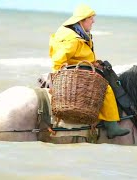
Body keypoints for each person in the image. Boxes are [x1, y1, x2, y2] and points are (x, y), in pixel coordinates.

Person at [49, 4, 130, 139]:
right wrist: (58, 73)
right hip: (76, 74)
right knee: (106, 90)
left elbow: (81, 55)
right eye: (91, 18)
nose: (93, 21)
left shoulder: (78, 33)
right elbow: (58, 60)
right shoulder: (72, 39)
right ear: (82, 20)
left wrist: (95, 62)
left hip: (81, 68)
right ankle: (112, 126)